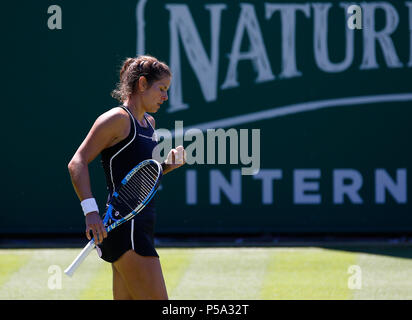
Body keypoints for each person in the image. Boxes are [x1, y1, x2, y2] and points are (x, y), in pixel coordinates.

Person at [67, 55, 185, 300]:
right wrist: (90, 212)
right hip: (126, 230)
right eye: (161, 89)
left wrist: (165, 166)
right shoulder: (117, 119)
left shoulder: (149, 123)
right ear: (142, 84)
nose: (165, 97)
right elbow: (77, 162)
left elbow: (137, 177)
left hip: (137, 227)